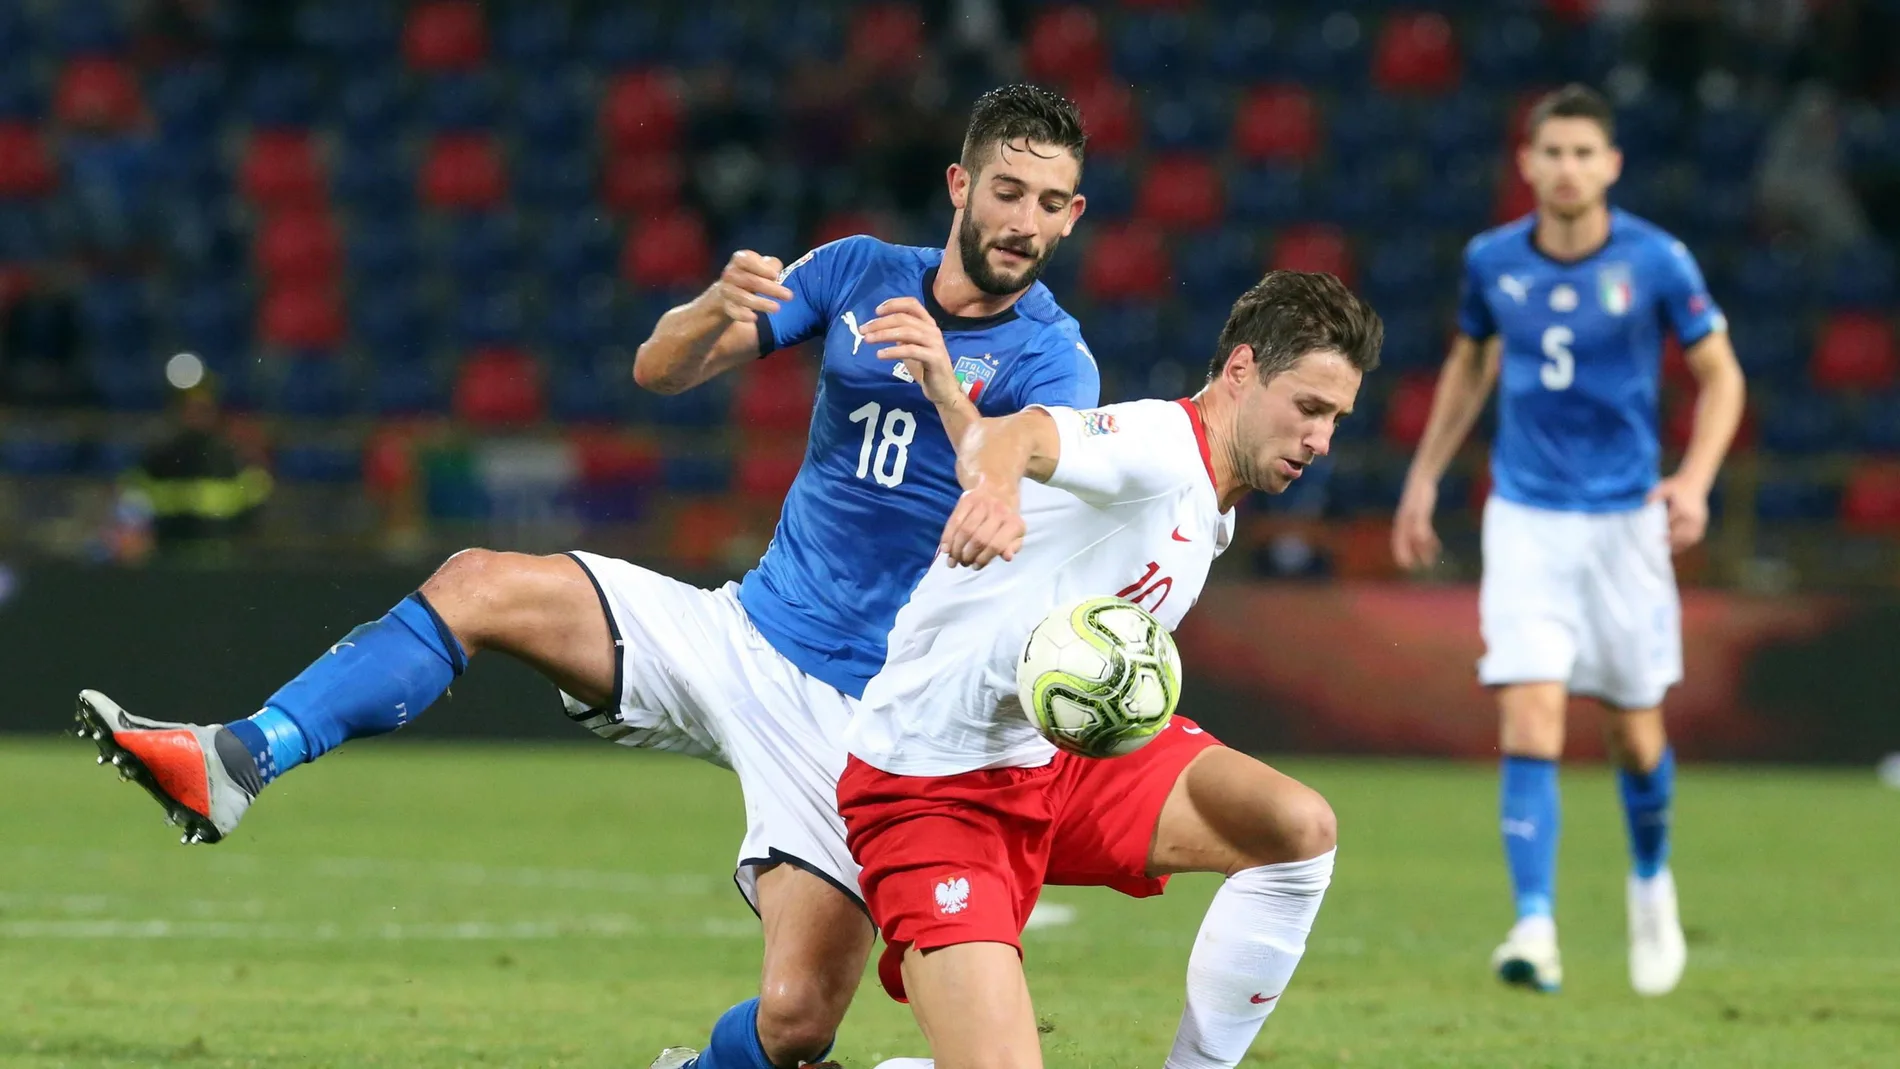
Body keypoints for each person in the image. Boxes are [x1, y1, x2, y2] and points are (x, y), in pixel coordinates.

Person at [70, 84, 1100, 1069]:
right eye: (1008, 190)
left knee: (796, 1019)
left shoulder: (1056, 362)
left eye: (1050, 203)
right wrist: (709, 305)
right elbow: (659, 369)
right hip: (736, 633)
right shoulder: (859, 270)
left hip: (865, 716)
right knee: (478, 580)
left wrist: (947, 393)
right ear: (960, 185)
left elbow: (1002, 492)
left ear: (1072, 217)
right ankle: (237, 759)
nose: (1025, 220)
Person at [838, 270, 1382, 1069]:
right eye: (1308, 408)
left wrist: (958, 410)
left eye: (1337, 418)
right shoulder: (1159, 447)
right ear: (1240, 371)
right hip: (934, 782)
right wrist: (994, 490)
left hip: (1059, 761)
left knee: (1295, 831)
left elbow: (991, 441)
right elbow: (1016, 437)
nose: (1322, 439)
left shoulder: (1213, 505)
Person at [1389, 84, 1746, 997]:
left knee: (1633, 732)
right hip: (1528, 517)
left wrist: (1695, 480)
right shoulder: (1491, 261)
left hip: (1627, 522)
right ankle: (1536, 924)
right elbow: (1469, 365)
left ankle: (1650, 878)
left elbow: (1723, 378)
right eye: (1553, 152)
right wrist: (1426, 475)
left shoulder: (1658, 261)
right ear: (1528, 163)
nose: (1568, 168)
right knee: (1530, 711)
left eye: (1585, 153)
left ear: (1611, 165)